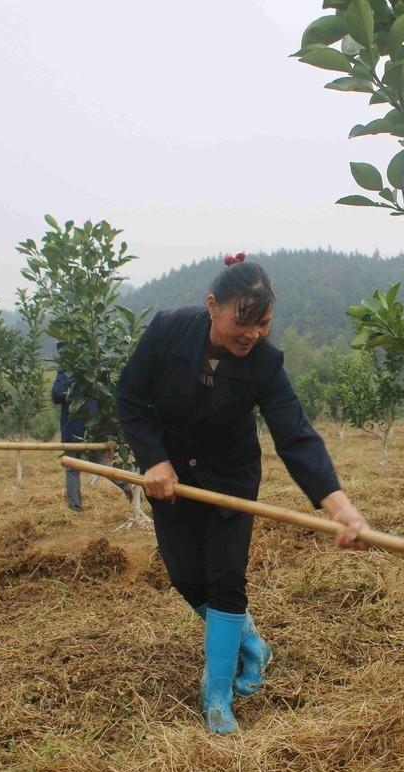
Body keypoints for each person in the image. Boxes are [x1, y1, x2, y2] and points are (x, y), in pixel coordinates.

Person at [116, 254, 370, 735]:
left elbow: (294, 435)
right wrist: (152, 458)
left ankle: (217, 693)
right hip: (168, 472)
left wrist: (340, 508)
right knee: (186, 576)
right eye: (243, 320)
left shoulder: (266, 362)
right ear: (213, 306)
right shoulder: (169, 331)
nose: (252, 334)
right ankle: (250, 643)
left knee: (225, 575)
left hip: (230, 473)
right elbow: (130, 398)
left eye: (264, 323)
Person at [51, 361, 132, 511]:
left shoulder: (67, 371)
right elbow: (108, 397)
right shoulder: (98, 366)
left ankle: (75, 508)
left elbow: (56, 394)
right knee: (102, 464)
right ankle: (126, 485)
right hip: (95, 428)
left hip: (73, 429)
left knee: (72, 469)